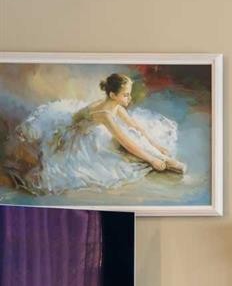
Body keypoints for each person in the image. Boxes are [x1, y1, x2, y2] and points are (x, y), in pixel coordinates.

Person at [4, 73, 185, 195]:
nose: (129, 99)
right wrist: (152, 160)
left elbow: (136, 127)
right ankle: (162, 161)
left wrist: (156, 145)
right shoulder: (104, 113)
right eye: (126, 95)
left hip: (93, 127)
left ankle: (165, 160)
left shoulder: (115, 105)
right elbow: (126, 140)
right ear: (113, 95)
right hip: (73, 134)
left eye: (129, 95)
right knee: (120, 148)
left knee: (134, 134)